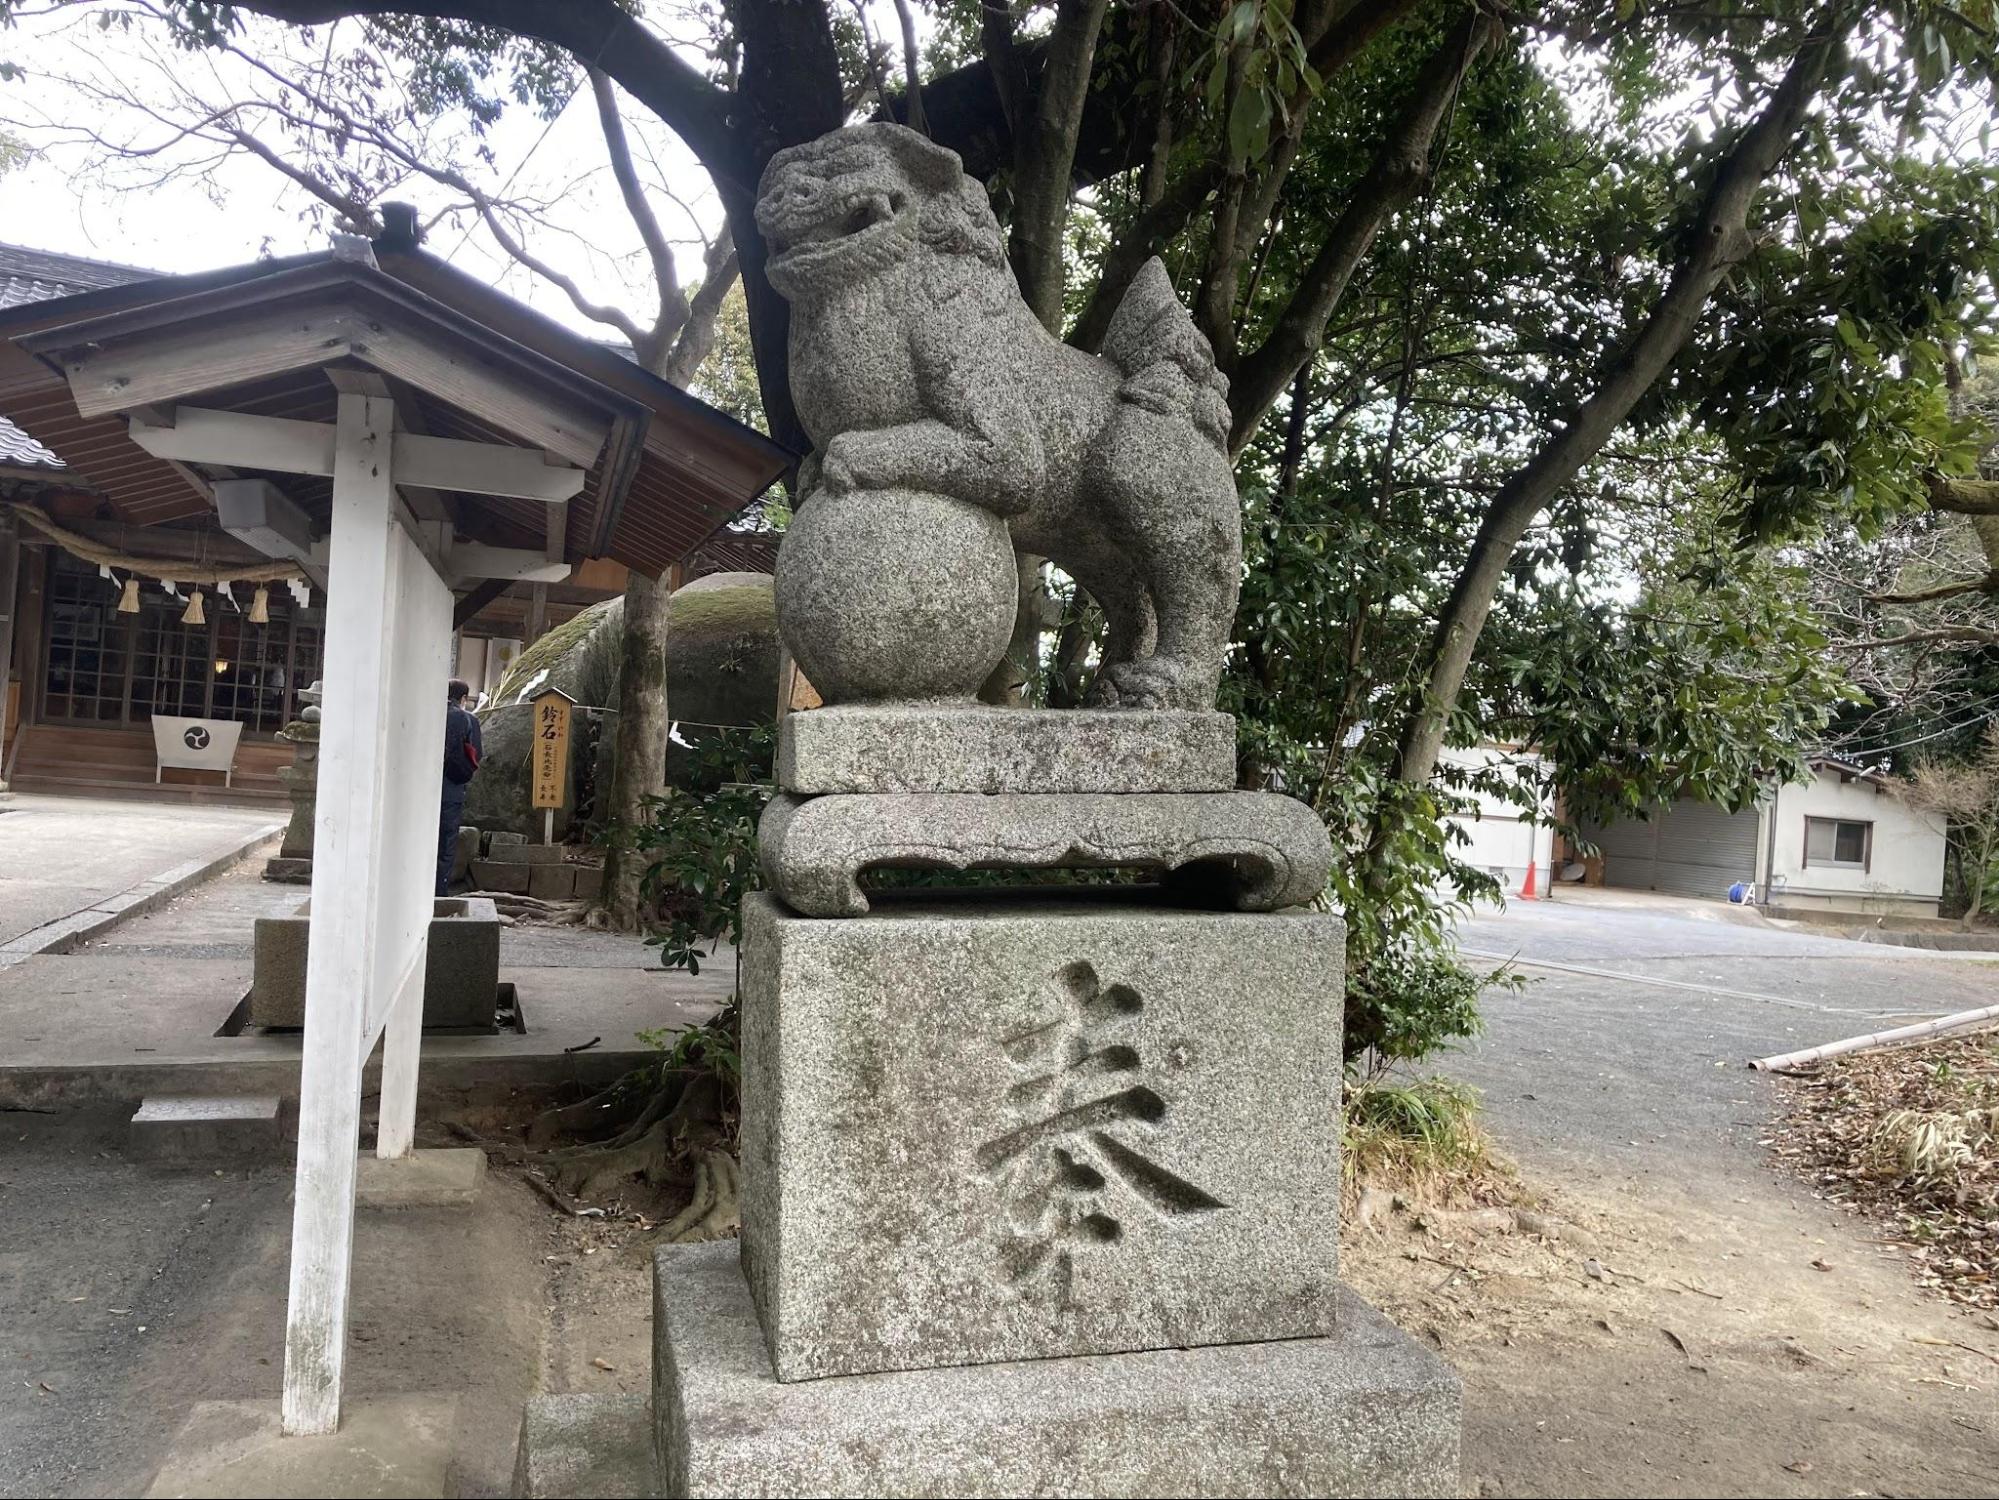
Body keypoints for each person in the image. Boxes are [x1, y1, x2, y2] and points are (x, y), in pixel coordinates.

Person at [439, 678, 483, 897]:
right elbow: (476, 755)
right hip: (452, 788)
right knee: (446, 843)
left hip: (420, 791)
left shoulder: (428, 715)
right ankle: (439, 893)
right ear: (463, 698)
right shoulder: (468, 720)